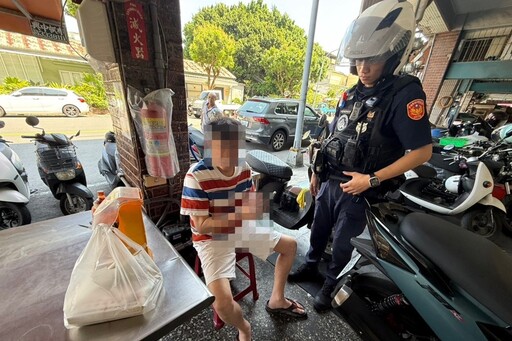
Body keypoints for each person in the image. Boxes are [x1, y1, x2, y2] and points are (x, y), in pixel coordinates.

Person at [288, 0, 433, 313]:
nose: (363, 68)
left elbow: (422, 152)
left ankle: (329, 287)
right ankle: (311, 266)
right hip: (331, 181)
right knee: (318, 230)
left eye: (372, 59)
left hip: (361, 187)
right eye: (358, 60)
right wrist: (316, 171)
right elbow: (333, 136)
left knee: (342, 243)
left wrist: (372, 179)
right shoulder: (352, 93)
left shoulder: (404, 94)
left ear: (391, 55)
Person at [181, 117, 307, 341]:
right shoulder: (195, 176)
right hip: (211, 238)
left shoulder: (243, 168)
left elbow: (249, 203)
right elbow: (202, 225)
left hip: (240, 228)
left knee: (290, 246)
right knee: (221, 303)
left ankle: (277, 299)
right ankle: (244, 327)